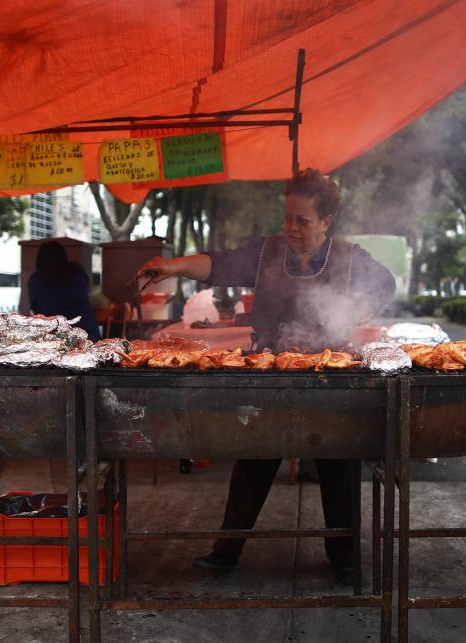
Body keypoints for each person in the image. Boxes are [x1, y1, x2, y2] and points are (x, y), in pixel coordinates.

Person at [138, 168, 395, 583]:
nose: (292, 228)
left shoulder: (350, 258)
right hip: (271, 370)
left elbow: (385, 284)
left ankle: (344, 556)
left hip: (331, 374)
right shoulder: (267, 252)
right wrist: (173, 266)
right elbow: (217, 265)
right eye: (288, 217)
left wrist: (362, 307)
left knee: (339, 464)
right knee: (255, 457)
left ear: (327, 221)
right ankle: (227, 551)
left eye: (303, 220)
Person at [28, 240, 100, 341]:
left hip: (57, 336)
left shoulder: (36, 280)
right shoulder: (78, 274)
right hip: (88, 332)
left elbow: (37, 311)